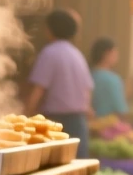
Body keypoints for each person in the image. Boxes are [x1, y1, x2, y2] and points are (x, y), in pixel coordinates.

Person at [24, 9, 94, 151]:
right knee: (77, 168)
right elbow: (87, 91)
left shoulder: (49, 53)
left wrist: (26, 117)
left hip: (57, 123)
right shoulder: (77, 54)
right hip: (79, 122)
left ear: (50, 29)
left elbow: (38, 89)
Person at [90, 37, 129, 119]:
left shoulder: (88, 75)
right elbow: (120, 109)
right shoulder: (113, 79)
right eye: (115, 52)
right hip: (109, 125)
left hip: (90, 123)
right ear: (107, 54)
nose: (117, 56)